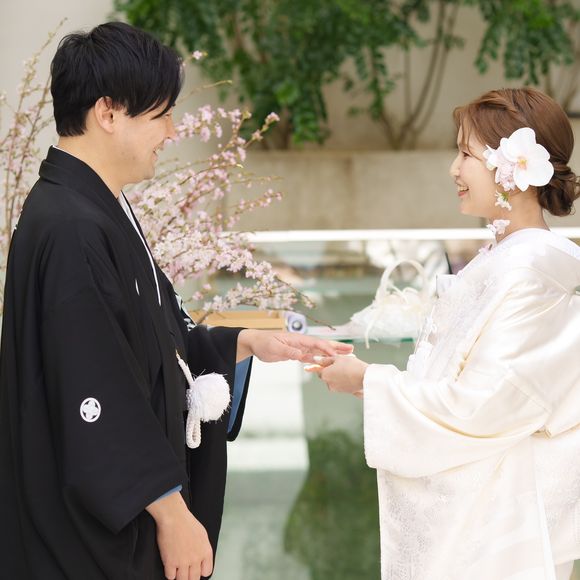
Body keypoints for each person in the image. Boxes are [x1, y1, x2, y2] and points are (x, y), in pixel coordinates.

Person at [0, 22, 352, 580]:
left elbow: (157, 337)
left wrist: (245, 343)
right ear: (108, 113)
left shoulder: (94, 208)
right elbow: (95, 389)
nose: (171, 132)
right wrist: (170, 513)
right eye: (161, 115)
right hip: (90, 539)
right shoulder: (71, 226)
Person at [312, 87, 580, 580]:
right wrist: (368, 383)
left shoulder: (531, 271)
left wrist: (368, 380)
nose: (454, 169)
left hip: (504, 523)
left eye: (466, 154)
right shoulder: (507, 258)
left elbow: (484, 406)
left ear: (512, 168)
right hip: (492, 514)